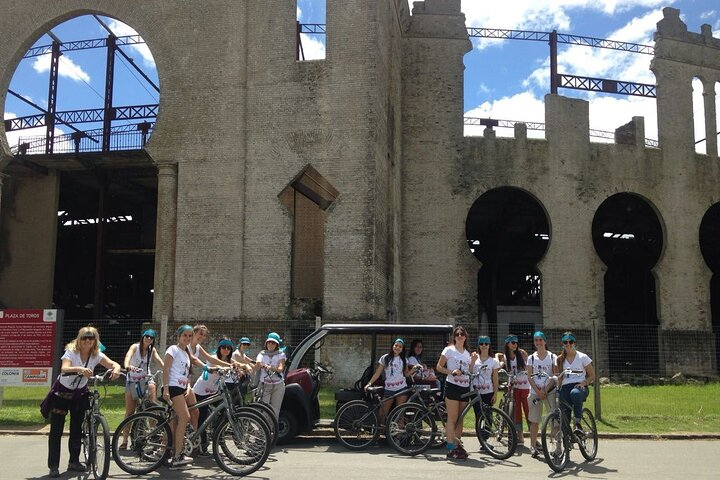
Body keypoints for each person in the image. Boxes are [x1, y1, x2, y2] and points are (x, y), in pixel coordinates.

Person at [47, 326, 121, 478]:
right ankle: (53, 465)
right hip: (62, 394)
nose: (87, 340)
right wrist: (80, 369)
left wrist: (116, 369)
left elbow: (112, 363)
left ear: (95, 340)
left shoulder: (96, 354)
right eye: (84, 338)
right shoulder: (71, 351)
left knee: (76, 429)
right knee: (56, 430)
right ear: (79, 339)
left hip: (79, 394)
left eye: (91, 338)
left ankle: (73, 461)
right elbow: (64, 368)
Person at [119, 328, 164, 450]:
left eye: (151, 337)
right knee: (130, 412)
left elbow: (159, 361)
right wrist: (128, 366)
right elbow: (128, 356)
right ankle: (124, 440)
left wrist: (168, 370)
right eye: (146, 336)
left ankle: (153, 434)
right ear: (143, 337)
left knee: (152, 408)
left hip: (146, 378)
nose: (148, 339)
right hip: (133, 379)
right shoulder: (135, 347)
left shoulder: (151, 350)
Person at [192, 337, 238, 456]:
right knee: (201, 419)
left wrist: (243, 368)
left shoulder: (229, 360)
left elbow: (237, 364)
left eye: (228, 348)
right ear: (219, 348)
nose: (226, 350)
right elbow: (217, 366)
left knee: (225, 410)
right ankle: (202, 445)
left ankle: (217, 431)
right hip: (200, 391)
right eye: (223, 347)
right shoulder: (214, 358)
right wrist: (227, 367)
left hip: (214, 392)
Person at [162, 324, 198, 468]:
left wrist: (188, 386)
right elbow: (166, 368)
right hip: (173, 387)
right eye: (185, 335)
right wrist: (165, 389)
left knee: (194, 411)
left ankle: (178, 449)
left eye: (190, 336)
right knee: (185, 417)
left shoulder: (186, 352)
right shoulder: (173, 349)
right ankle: (177, 456)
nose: (187, 338)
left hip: (182, 388)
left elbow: (187, 373)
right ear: (179, 336)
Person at [436, 325, 472, 460]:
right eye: (457, 334)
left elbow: (471, 371)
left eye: (462, 334)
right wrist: (452, 372)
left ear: (465, 337)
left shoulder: (467, 353)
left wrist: (473, 361)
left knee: (460, 418)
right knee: (452, 418)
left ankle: (457, 445)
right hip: (452, 385)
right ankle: (450, 447)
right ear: (454, 337)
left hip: (465, 386)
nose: (460, 336)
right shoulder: (449, 350)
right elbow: (439, 367)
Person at [364, 338, 417, 426]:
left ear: (402, 349)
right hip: (389, 388)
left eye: (400, 346)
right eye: (396, 345)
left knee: (400, 414)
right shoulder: (385, 358)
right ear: (392, 346)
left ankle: (398, 436)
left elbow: (406, 374)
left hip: (401, 388)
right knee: (382, 413)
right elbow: (378, 372)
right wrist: (369, 383)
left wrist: (414, 369)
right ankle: (379, 434)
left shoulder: (404, 360)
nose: (397, 347)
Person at [556, 331, 595, 435]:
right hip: (565, 386)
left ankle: (577, 423)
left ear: (575, 343)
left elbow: (592, 375)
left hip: (579, 386)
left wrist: (584, 383)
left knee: (575, 393)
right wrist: (557, 388)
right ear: (563, 344)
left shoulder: (583, 357)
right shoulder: (560, 359)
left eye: (571, 342)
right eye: (565, 342)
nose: (568, 344)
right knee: (564, 414)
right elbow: (560, 377)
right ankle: (567, 440)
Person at [526, 331, 558, 457]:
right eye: (536, 340)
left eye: (540, 340)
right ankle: (533, 446)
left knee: (553, 420)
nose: (538, 342)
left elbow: (555, 375)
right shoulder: (531, 358)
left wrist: (545, 390)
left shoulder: (552, 357)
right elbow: (529, 376)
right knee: (534, 421)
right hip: (535, 392)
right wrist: (538, 391)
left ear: (545, 341)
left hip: (549, 391)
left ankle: (556, 446)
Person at [496, 334, 530, 445]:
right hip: (514, 387)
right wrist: (498, 359)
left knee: (528, 411)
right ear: (508, 344)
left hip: (525, 386)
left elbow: (529, 366)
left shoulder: (522, 354)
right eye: (512, 342)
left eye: (516, 342)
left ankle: (534, 437)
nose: (515, 344)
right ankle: (520, 437)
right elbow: (498, 360)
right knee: (517, 413)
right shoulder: (505, 357)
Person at [470, 335, 500, 438]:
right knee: (478, 416)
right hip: (476, 392)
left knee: (488, 416)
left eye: (486, 344)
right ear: (478, 345)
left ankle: (485, 440)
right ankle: (480, 439)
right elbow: (469, 372)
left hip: (488, 392)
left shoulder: (493, 361)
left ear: (489, 345)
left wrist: (495, 394)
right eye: (481, 344)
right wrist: (473, 361)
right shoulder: (474, 358)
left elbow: (495, 379)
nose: (484, 346)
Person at [254, 332, 286, 419]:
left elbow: (280, 368)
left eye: (273, 343)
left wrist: (269, 367)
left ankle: (273, 430)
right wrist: (258, 364)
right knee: (264, 409)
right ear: (266, 343)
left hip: (278, 385)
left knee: (275, 410)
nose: (271, 344)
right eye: (269, 342)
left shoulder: (281, 354)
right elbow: (257, 365)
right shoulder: (262, 354)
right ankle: (264, 430)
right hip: (265, 384)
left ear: (277, 344)